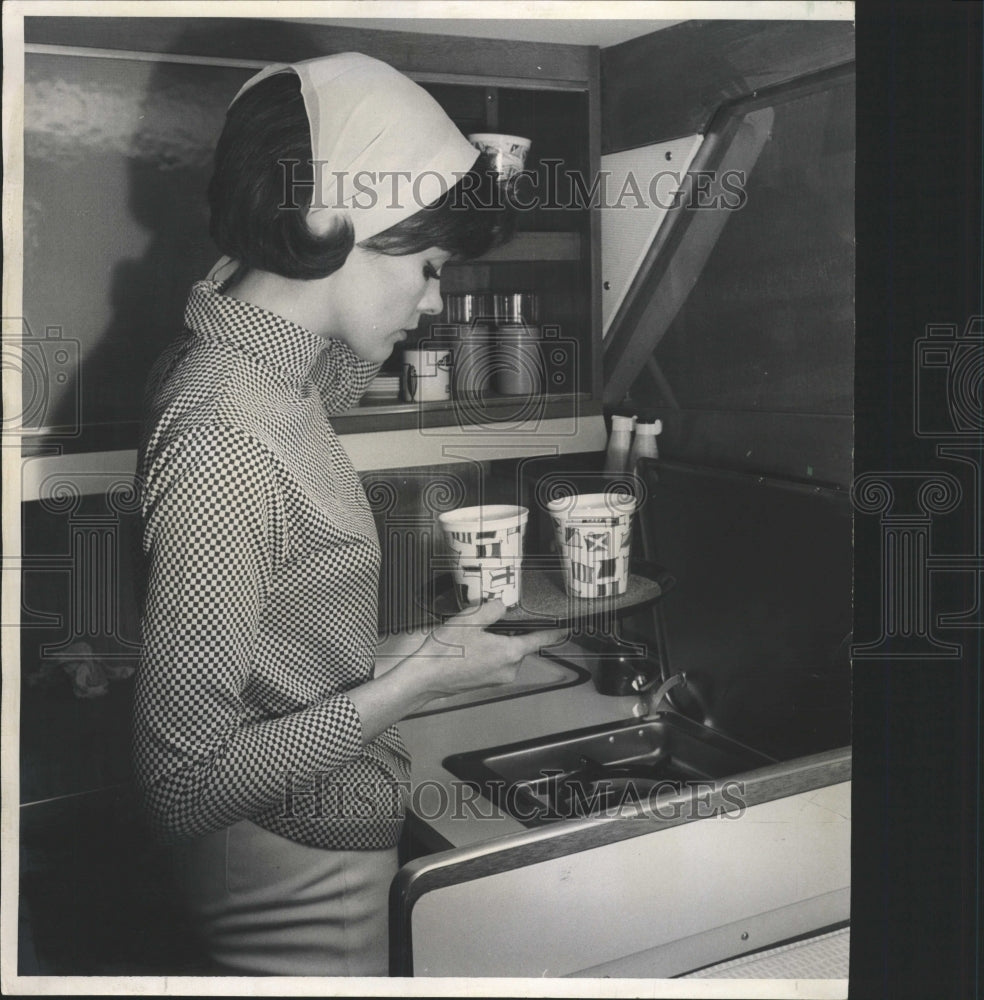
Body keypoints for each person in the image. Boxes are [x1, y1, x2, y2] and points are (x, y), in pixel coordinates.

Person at [132, 53, 562, 977]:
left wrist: (418, 654)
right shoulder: (228, 431)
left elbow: (273, 655)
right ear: (332, 217)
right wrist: (413, 687)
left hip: (305, 843)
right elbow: (184, 782)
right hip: (296, 884)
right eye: (434, 267)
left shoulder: (251, 373)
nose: (436, 301)